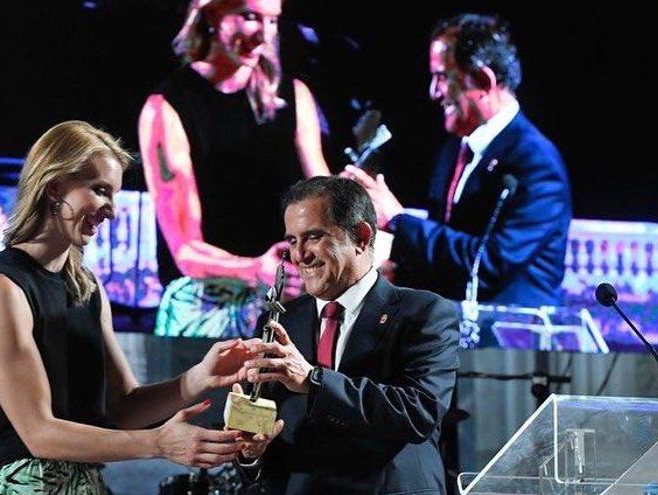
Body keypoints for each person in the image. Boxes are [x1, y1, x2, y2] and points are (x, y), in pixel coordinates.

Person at [0, 121, 268, 494]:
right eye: (100, 191)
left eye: (114, 194)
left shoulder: (86, 288)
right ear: (54, 187)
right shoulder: (0, 291)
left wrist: (198, 378)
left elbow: (122, 407)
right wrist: (158, 444)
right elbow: (40, 434)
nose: (111, 210)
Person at [237, 176, 460, 494]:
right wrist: (250, 453)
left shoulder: (424, 313)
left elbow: (419, 413)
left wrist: (312, 381)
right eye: (293, 241)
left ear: (361, 236)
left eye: (313, 237)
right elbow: (260, 428)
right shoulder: (281, 321)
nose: (299, 255)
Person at [345, 13, 572, 307]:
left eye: (442, 76)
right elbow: (449, 256)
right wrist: (397, 272)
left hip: (513, 342)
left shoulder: (536, 163)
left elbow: (487, 265)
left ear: (482, 80)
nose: (434, 92)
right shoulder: (454, 150)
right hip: (456, 333)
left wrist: (400, 221)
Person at [138, 0, 331, 339]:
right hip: (206, 308)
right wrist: (257, 269)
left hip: (289, 303)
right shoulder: (167, 107)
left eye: (272, 21)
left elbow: (324, 204)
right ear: (213, 15)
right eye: (250, 17)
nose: (264, 34)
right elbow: (186, 251)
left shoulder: (294, 95)